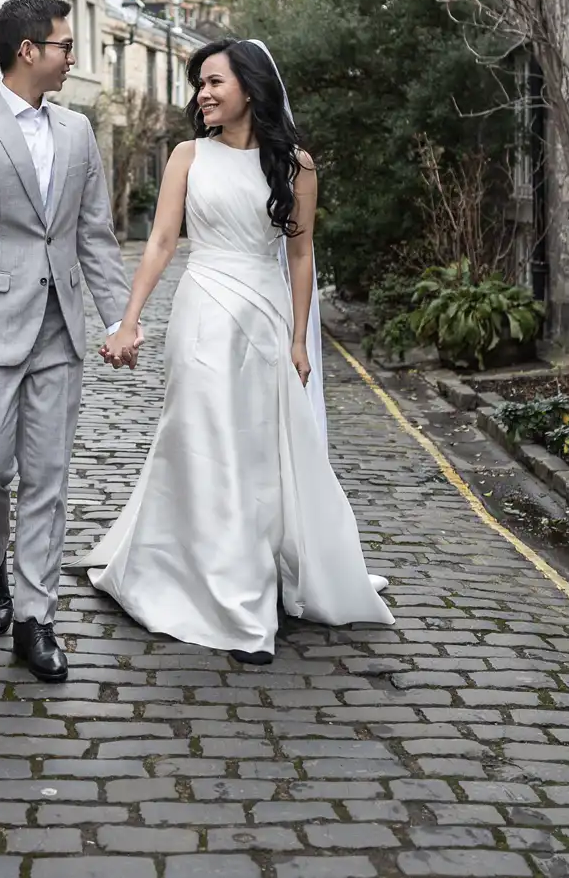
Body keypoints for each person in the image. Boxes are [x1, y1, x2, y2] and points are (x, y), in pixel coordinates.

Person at [81, 38, 393, 664]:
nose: (203, 94)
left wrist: (302, 337)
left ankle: (254, 566)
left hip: (267, 314)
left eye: (214, 82)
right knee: (203, 440)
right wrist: (127, 321)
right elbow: (162, 241)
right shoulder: (187, 156)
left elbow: (301, 256)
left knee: (260, 451)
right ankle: (233, 595)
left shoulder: (297, 166)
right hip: (202, 312)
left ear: (250, 87)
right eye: (199, 85)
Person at [0, 0, 137, 683]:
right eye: (66, 45)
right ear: (28, 51)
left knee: (47, 478)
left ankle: (37, 618)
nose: (75, 55)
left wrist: (117, 318)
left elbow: (93, 235)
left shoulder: (76, 133)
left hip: (58, 332)